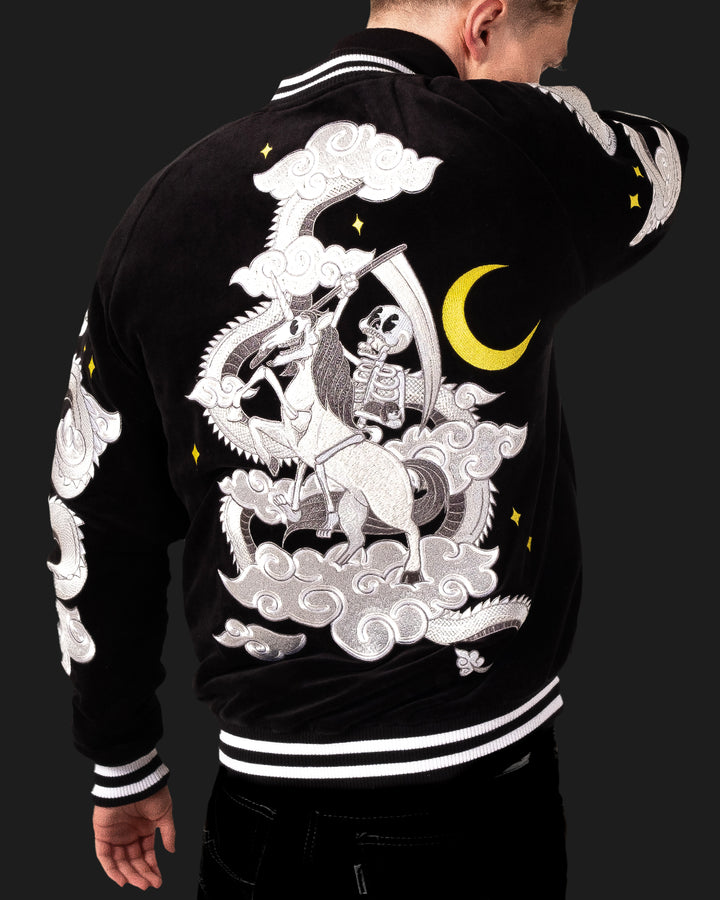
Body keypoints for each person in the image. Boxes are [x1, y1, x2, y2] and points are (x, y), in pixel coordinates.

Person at [47, 0, 687, 896]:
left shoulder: (162, 204)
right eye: (544, 64)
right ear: (485, 23)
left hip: (256, 811)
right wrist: (526, 106)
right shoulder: (515, 149)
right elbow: (660, 164)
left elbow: (93, 506)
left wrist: (120, 758)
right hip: (476, 811)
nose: (541, 88)